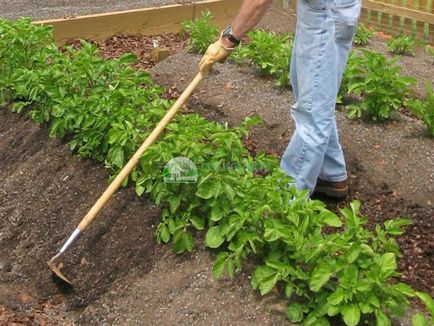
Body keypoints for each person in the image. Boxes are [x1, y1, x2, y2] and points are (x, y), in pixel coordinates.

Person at [199, 0, 361, 199]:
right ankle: (330, 175)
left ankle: (286, 201)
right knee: (311, 93)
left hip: (326, 13)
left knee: (312, 110)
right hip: (326, 8)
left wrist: (228, 40)